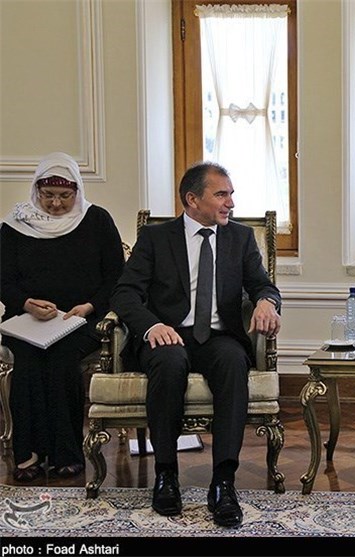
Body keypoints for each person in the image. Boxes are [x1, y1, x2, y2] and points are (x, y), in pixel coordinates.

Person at [110, 161, 281, 528]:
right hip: (168, 334)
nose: (231, 203)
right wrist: (151, 325)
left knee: (233, 361)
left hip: (218, 337)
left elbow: (262, 285)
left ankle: (223, 483)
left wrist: (267, 302)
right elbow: (125, 294)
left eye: (231, 194)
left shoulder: (240, 238)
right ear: (192, 199)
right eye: (221, 194)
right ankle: (166, 475)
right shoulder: (156, 238)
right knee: (169, 362)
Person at [0, 152, 125, 482]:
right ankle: (27, 454)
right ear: (36, 191)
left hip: (79, 320)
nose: (56, 204)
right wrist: (26, 303)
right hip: (27, 321)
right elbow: (3, 279)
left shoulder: (97, 220)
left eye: (64, 196)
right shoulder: (16, 224)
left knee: (61, 361)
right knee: (28, 363)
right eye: (48, 195)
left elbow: (116, 277)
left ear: (77, 191)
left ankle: (65, 453)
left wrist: (89, 306)